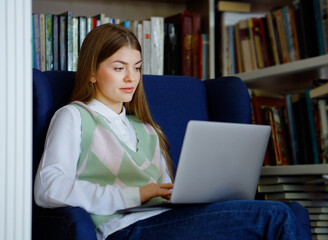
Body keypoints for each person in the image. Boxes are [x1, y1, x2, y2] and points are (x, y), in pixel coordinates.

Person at [34, 24, 310, 240]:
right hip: (122, 230)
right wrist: (136, 194)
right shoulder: (74, 117)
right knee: (275, 217)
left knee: (293, 211)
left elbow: (165, 194)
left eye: (137, 68)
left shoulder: (148, 130)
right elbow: (48, 189)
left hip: (164, 221)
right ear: (92, 73)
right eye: (119, 68)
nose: (131, 78)